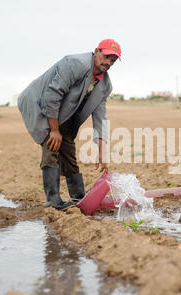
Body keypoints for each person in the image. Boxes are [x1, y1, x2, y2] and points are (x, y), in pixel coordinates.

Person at [18, 39, 121, 210]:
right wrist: (54, 130)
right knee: (51, 145)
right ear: (97, 51)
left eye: (113, 60)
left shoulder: (105, 85)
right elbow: (52, 95)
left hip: (63, 112)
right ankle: (52, 200)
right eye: (107, 56)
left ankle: (78, 196)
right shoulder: (75, 63)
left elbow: (100, 118)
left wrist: (102, 152)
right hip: (39, 103)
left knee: (68, 152)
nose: (109, 62)